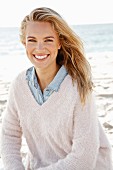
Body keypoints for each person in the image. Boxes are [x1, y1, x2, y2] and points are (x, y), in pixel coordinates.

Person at [1, 7, 113, 170]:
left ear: (59, 42)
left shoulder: (77, 86)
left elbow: (83, 159)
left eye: (48, 40)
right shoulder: (19, 84)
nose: (39, 48)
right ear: (24, 42)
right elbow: (9, 136)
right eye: (32, 40)